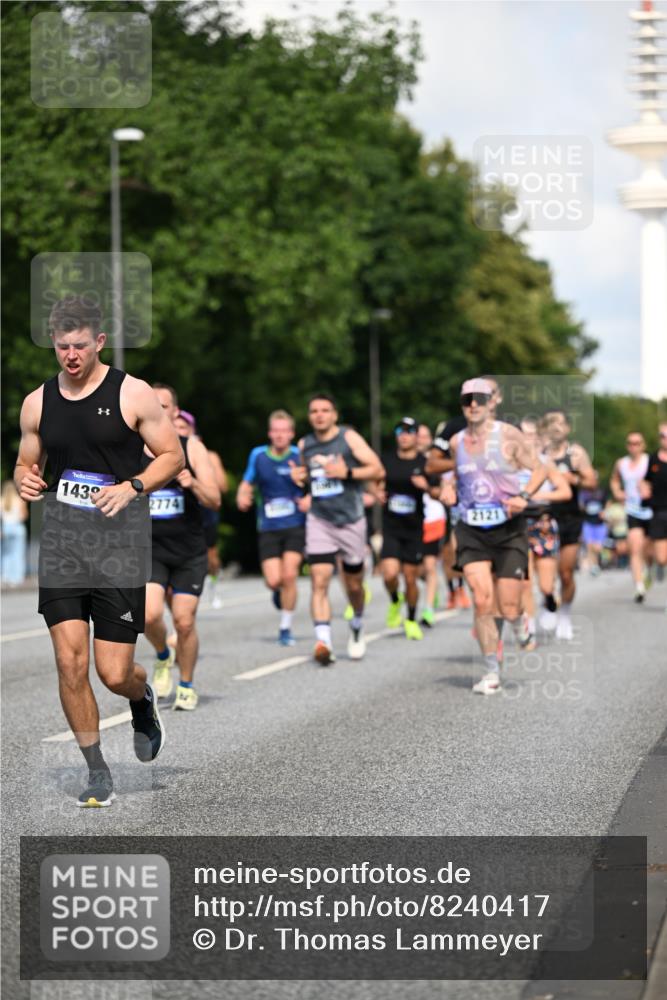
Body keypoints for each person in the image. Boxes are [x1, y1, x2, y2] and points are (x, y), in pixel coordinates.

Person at [14, 296, 183, 807]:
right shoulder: (37, 402)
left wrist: (133, 485)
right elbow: (26, 462)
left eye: (79, 346)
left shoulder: (132, 394)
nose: (70, 355)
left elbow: (172, 456)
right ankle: (96, 770)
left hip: (120, 547)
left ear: (99, 342)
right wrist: (24, 480)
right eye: (62, 346)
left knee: (113, 673)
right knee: (69, 663)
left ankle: (141, 697)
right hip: (64, 545)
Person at [446, 379, 549, 695]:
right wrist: (447, 488)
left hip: (508, 529)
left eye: (479, 399)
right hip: (471, 529)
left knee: (508, 606)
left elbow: (540, 470)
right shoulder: (456, 442)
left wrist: (524, 495)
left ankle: (520, 624)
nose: (473, 405)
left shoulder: (508, 435)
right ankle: (491, 671)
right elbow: (455, 477)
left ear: (491, 402)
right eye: (467, 400)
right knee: (482, 599)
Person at [290, 394, 384, 664]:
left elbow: (376, 468)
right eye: (314, 411)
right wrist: (300, 479)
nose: (319, 415)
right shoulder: (304, 444)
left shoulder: (348, 438)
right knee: (319, 579)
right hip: (320, 520)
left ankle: (356, 622)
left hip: (351, 520)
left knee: (354, 586)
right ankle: (324, 642)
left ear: (334, 414)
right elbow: (307, 477)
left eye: (325, 410)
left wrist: (348, 473)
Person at [143, 386, 220, 709]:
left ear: (175, 412)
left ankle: (186, 684)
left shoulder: (192, 448)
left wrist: (193, 483)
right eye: (153, 405)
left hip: (188, 549)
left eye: (164, 405)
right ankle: (163, 655)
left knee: (185, 621)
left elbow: (215, 498)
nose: (158, 410)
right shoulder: (130, 449)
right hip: (149, 548)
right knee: (147, 617)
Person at [237, 410, 307, 646]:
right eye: (275, 431)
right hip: (268, 525)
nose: (279, 435)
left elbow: (313, 484)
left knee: (290, 574)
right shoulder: (258, 455)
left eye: (284, 431)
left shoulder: (300, 455)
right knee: (273, 580)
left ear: (291, 434)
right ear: (270, 433)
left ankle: (285, 627)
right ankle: (279, 592)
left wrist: (308, 496)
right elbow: (247, 482)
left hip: (295, 524)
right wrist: (242, 496)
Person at [541, 409, 597, 640]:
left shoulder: (575, 453)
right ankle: (547, 602)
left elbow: (592, 482)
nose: (556, 427)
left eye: (560, 423)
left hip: (570, 518)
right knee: (545, 571)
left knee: (565, 572)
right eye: (551, 423)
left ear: (568, 428)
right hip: (544, 517)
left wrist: (572, 478)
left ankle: (564, 613)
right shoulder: (539, 453)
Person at [379, 417, 430, 640]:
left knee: (410, 578)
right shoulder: (387, 459)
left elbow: (439, 491)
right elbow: (374, 479)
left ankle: (410, 618)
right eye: (401, 430)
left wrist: (426, 486)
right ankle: (394, 600)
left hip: (414, 529)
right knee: (389, 574)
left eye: (410, 431)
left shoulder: (424, 462)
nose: (405, 435)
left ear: (416, 435)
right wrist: (376, 492)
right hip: (391, 527)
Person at [610, 432, 652, 601]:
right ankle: (639, 587)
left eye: (637, 443)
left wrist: (650, 489)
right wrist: (617, 492)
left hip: (651, 510)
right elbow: (614, 480)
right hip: (632, 510)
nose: (633, 446)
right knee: (635, 548)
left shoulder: (650, 461)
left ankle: (648, 569)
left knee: (651, 552)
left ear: (643, 445)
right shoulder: (622, 463)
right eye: (630, 443)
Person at [415, 424, 447, 625]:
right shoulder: (403, 461)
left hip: (433, 519)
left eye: (425, 436)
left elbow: (443, 491)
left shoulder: (435, 464)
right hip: (410, 522)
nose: (421, 440)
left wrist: (425, 487)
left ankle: (427, 609)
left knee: (429, 565)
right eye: (417, 436)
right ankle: (431, 588)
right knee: (414, 570)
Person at [640, 423, 667, 610]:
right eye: (663, 435)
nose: (666, 438)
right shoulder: (652, 460)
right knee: (661, 558)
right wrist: (643, 489)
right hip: (658, 511)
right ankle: (656, 567)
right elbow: (644, 480)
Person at [1, 481, 28, 586]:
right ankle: (17, 578)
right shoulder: (20, 500)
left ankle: (5, 576)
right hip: (18, 528)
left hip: (6, 528)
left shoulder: (1, 501)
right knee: (18, 553)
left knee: (6, 554)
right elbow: (23, 516)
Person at [579, 485, 608, 576]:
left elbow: (607, 503)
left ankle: (598, 562)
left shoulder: (602, 491)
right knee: (589, 545)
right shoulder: (583, 493)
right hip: (588, 523)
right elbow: (580, 506)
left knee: (598, 547)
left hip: (599, 524)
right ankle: (594, 566)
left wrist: (604, 512)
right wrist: (583, 508)